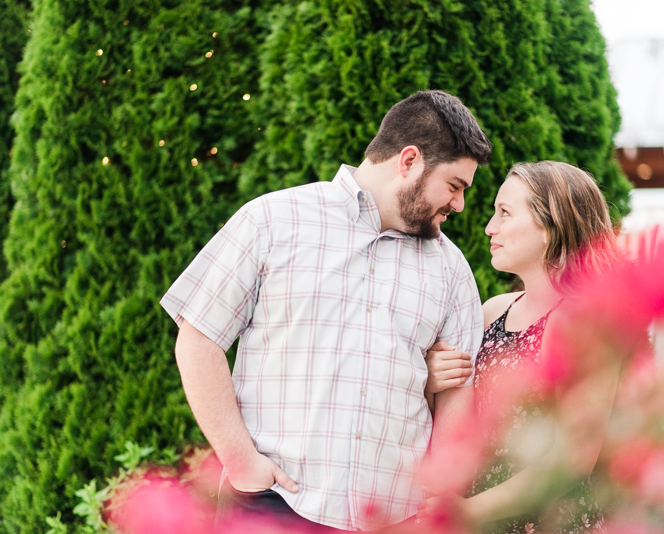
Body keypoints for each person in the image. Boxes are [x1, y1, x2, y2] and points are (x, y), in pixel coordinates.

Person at [159, 90, 492, 531]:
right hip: (274, 506)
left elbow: (455, 399)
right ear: (408, 161)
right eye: (454, 186)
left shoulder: (451, 270)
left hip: (395, 520)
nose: (459, 204)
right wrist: (241, 464)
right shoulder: (272, 221)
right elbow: (198, 338)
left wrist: (436, 502)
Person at [417, 161, 622, 533]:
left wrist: (470, 511)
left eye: (505, 213)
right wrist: (430, 379)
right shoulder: (492, 311)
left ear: (551, 225)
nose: (489, 228)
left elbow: (574, 458)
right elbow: (454, 419)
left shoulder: (585, 322)